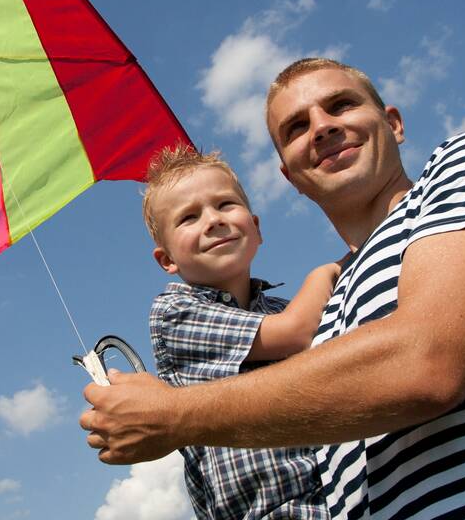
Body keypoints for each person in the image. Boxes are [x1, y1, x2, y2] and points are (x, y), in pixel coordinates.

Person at [83, 59, 465, 519]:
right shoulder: (327, 313)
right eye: (296, 128)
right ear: (289, 175)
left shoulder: (463, 166)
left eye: (341, 104)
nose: (322, 126)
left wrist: (174, 415)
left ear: (394, 123)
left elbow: (427, 361)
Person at [142, 145, 337, 519]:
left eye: (225, 204)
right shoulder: (175, 312)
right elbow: (296, 332)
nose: (213, 220)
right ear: (167, 259)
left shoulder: (281, 308)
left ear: (257, 227)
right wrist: (329, 269)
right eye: (189, 217)